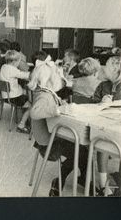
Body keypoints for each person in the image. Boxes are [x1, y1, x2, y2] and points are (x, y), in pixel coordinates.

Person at [29, 62, 89, 196]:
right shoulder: (45, 96)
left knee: (80, 150)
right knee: (84, 152)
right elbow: (34, 112)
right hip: (49, 146)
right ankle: (62, 181)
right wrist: (55, 110)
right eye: (58, 76)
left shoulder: (43, 92)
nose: (62, 79)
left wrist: (61, 105)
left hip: (43, 142)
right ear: (49, 81)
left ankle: (81, 179)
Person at [91, 54, 121, 196]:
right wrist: (100, 104)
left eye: (107, 67)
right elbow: (93, 104)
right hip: (106, 127)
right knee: (101, 141)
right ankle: (103, 185)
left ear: (116, 70)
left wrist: (111, 106)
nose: (103, 69)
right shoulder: (104, 84)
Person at [0, 50, 31, 133]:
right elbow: (26, 75)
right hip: (14, 97)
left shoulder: (3, 67)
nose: (19, 64)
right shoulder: (13, 69)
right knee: (31, 105)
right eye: (19, 61)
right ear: (14, 62)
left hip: (5, 96)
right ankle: (22, 124)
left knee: (23, 93)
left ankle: (21, 118)